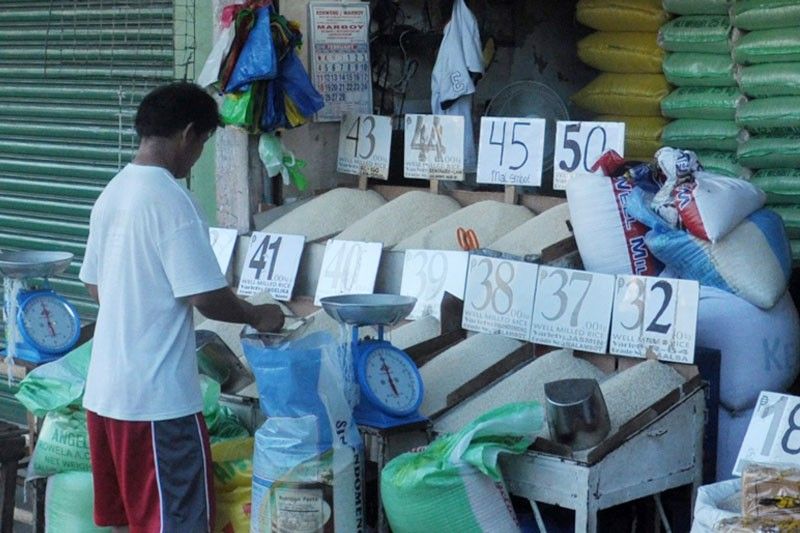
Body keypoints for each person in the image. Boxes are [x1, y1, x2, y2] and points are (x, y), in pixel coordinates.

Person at [79, 82, 284, 533]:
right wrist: (256, 314)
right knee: (177, 524)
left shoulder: (112, 192)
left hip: (105, 398)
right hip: (157, 405)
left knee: (134, 524)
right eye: (204, 144)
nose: (197, 157)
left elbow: (96, 287)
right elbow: (205, 296)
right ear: (189, 134)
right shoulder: (172, 200)